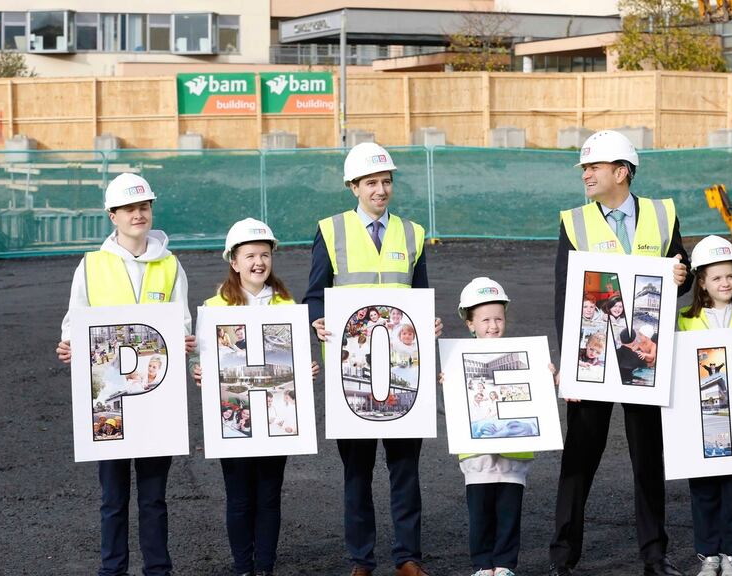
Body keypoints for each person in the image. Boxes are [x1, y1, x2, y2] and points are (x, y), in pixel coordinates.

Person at [549, 130, 693, 576]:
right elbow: (563, 296)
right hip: (593, 359)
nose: (586, 175)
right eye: (585, 169)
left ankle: (654, 555)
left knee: (648, 459)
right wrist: (568, 368)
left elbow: (682, 277)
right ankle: (562, 556)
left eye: (593, 167)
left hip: (646, 358)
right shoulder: (574, 222)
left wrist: (682, 276)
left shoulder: (662, 215)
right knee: (579, 457)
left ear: (622, 172)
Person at [304, 142, 442, 576]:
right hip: (353, 374)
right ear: (353, 187)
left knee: (405, 470)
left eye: (385, 182)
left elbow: (420, 296)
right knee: (357, 472)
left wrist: (430, 325)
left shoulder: (413, 233)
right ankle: (361, 559)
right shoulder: (330, 231)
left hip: (403, 372)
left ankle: (407, 557)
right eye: (370, 183)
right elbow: (313, 295)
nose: (380, 190)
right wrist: (317, 322)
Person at [55, 172, 194, 576]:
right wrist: (69, 344)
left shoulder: (170, 266)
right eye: (130, 208)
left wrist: (185, 340)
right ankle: (112, 570)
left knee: (153, 498)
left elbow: (181, 321)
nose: (139, 214)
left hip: (155, 399)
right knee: (112, 497)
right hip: (108, 402)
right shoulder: (92, 265)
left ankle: (158, 569)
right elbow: (74, 319)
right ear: (112, 215)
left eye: (144, 207)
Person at [190, 218, 320, 576]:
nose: (258, 262)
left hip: (276, 415)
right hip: (234, 418)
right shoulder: (214, 307)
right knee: (240, 496)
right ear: (234, 262)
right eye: (249, 256)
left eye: (264, 254)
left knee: (268, 494)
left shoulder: (287, 305)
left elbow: (293, 358)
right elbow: (197, 356)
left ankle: (265, 565)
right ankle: (243, 566)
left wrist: (304, 370)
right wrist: (196, 369)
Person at [448, 277, 547, 576]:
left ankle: (504, 565)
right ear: (470, 323)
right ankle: (482, 565)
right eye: (485, 319)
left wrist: (545, 373)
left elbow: (536, 390)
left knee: (508, 512)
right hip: (476, 456)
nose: (493, 326)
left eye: (498, 318)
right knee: (479, 513)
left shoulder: (523, 355)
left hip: (514, 454)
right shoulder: (456, 359)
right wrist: (448, 381)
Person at [678, 235, 732, 576]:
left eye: (730, 276)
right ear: (702, 282)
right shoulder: (683, 319)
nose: (725, 283)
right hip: (700, 419)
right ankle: (709, 554)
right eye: (717, 277)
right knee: (705, 488)